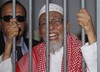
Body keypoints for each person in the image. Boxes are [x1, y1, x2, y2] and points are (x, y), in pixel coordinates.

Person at [0, 3, 97, 72]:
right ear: (39, 31)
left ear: (67, 26)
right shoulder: (32, 56)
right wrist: (9, 44)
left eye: (57, 21)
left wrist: (90, 32)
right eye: (44, 23)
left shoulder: (83, 51)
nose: (50, 27)